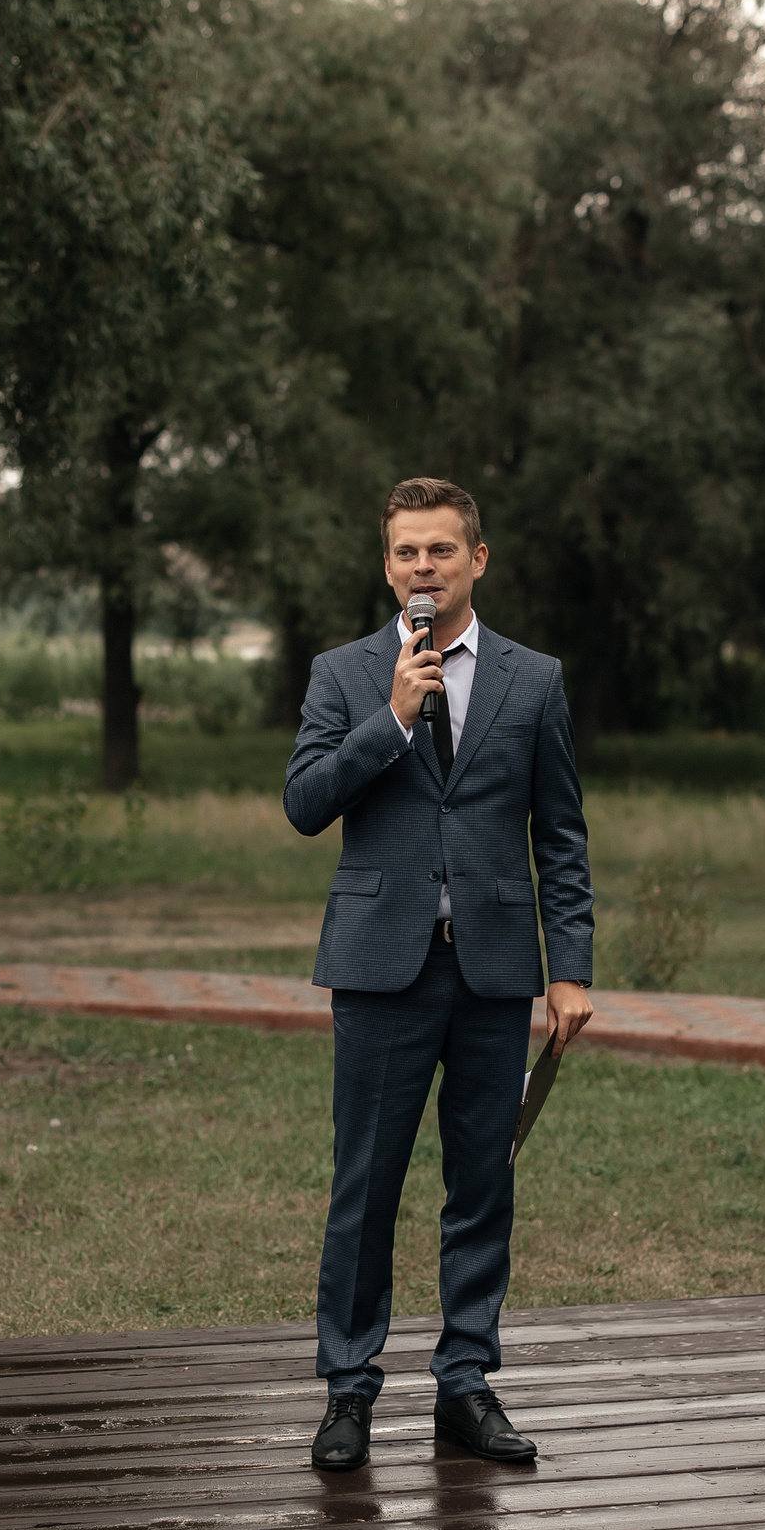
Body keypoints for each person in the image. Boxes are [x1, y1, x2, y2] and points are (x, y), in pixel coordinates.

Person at [283, 476, 594, 1472]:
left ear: (476, 560)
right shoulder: (344, 672)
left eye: (442, 551)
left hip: (497, 973)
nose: (424, 567)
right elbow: (304, 802)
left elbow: (562, 835)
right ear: (388, 566)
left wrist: (570, 966)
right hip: (382, 971)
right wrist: (388, 718)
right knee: (364, 1186)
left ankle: (465, 1383)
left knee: (480, 1186)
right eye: (407, 552)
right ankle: (348, 1391)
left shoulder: (533, 678)